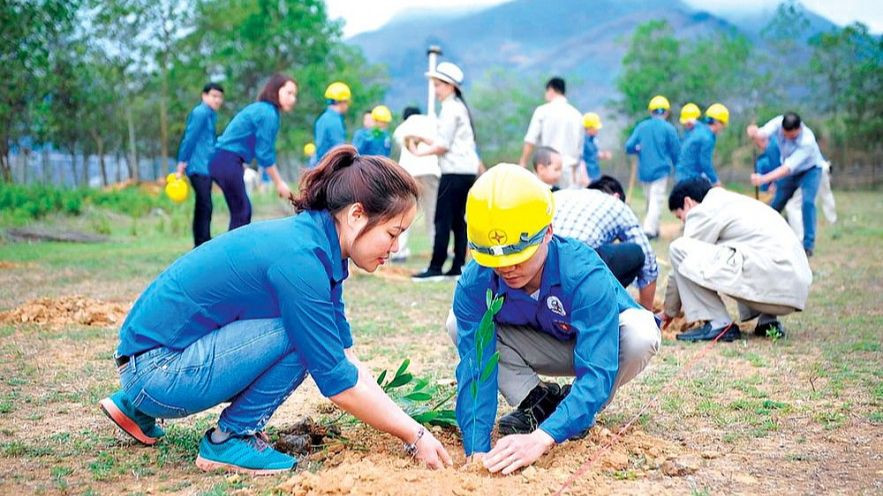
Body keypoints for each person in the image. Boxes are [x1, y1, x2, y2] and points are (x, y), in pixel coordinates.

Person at [98, 146, 452, 474]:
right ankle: (232, 438)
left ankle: (135, 408)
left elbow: (345, 355)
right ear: (357, 214)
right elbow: (337, 379)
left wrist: (406, 424)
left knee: (312, 332)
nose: (395, 246)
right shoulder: (302, 261)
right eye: (393, 233)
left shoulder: (315, 244)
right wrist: (415, 435)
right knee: (301, 336)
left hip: (144, 364)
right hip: (157, 372)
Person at [445, 164, 659, 474]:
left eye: (518, 257)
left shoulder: (583, 273)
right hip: (542, 343)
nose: (507, 269)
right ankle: (539, 400)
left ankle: (574, 412)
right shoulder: (475, 282)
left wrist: (542, 438)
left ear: (547, 232)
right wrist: (476, 450)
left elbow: (597, 370)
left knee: (641, 333)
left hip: (600, 346)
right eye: (495, 261)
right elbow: (476, 369)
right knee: (458, 323)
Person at [661, 178, 812, 342]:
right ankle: (768, 322)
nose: (684, 222)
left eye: (680, 216)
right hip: (794, 290)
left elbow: (683, 260)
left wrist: (668, 312)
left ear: (688, 202)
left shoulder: (704, 209)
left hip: (773, 283)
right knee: (748, 248)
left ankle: (718, 323)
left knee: (678, 247)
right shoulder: (739, 203)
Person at [409, 61, 480, 280]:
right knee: (459, 219)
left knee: (442, 219)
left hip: (454, 172)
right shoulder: (458, 106)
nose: (436, 89)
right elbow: (446, 141)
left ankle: (436, 266)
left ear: (450, 86)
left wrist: (418, 152)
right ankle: (458, 265)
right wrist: (425, 140)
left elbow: (444, 145)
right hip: (466, 170)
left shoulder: (450, 108)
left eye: (438, 85)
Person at [554, 175, 659, 310]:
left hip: (539, 271)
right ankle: (601, 307)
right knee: (636, 253)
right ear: (616, 196)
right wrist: (647, 312)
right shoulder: (616, 204)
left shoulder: (561, 195)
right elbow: (648, 262)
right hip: (577, 274)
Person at [208, 74, 296, 232]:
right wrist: (279, 183)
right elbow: (264, 154)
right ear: (276, 91)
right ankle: (233, 254)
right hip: (227, 160)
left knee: (240, 211)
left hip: (223, 160)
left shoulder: (263, 109)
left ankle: (233, 253)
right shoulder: (268, 113)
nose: (293, 99)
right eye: (289, 93)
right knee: (242, 211)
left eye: (294, 95)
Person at [747, 112, 824, 256]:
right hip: (789, 172)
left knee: (807, 202)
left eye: (792, 136)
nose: (788, 138)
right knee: (775, 204)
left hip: (810, 171)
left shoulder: (807, 141)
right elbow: (762, 133)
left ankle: (808, 246)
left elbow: (787, 168)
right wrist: (754, 132)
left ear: (799, 129)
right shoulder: (778, 122)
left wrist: (763, 179)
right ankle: (760, 238)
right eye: (785, 134)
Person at [175, 82, 224, 247]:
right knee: (205, 205)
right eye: (214, 96)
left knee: (204, 205)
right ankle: (202, 243)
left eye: (220, 97)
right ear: (204, 96)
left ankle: (202, 241)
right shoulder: (200, 112)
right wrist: (182, 162)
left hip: (206, 167)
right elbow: (190, 138)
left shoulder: (210, 114)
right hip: (197, 167)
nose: (217, 100)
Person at [625, 95, 680, 239]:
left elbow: (629, 146)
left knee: (650, 200)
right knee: (656, 201)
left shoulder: (642, 126)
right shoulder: (669, 128)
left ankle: (654, 230)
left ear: (651, 111)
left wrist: (637, 149)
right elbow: (676, 152)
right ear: (666, 112)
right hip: (661, 171)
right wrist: (677, 167)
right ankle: (649, 231)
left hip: (644, 171)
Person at [392, 106, 441, 262]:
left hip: (409, 173)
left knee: (404, 212)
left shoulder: (402, 127)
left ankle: (400, 251)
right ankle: (437, 249)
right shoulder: (431, 123)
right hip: (430, 171)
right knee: (432, 213)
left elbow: (400, 141)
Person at [518, 77, 584, 190]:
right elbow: (579, 149)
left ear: (551, 90)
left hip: (548, 168)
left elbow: (530, 140)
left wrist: (522, 163)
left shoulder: (543, 111)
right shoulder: (577, 115)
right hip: (570, 170)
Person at [674, 103, 729, 186]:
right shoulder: (707, 138)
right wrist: (715, 180)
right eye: (723, 124)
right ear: (717, 122)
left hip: (680, 175)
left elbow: (697, 124)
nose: (723, 128)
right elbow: (705, 163)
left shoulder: (698, 130)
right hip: (690, 178)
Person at [314, 82, 351, 163]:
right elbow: (339, 149)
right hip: (329, 167)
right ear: (342, 101)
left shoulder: (322, 119)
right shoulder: (334, 121)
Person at [580, 112, 612, 183]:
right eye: (595, 128)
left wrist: (604, 155)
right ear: (589, 128)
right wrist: (584, 177)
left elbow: (594, 154)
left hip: (596, 175)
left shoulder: (593, 139)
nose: (597, 130)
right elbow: (581, 160)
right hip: (587, 176)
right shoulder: (582, 141)